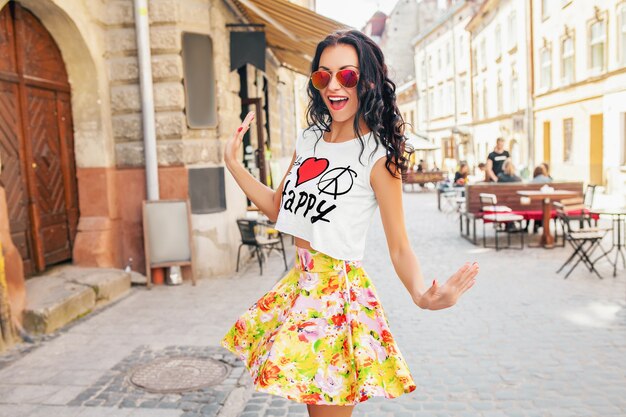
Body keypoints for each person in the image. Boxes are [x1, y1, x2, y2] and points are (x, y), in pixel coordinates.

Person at [221, 30, 479, 417]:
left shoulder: (378, 155)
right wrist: (234, 165)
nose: (334, 85)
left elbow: (399, 245)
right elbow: (279, 208)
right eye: (323, 76)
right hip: (300, 286)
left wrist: (421, 295)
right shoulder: (309, 139)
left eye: (348, 75)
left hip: (336, 298)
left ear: (369, 81)